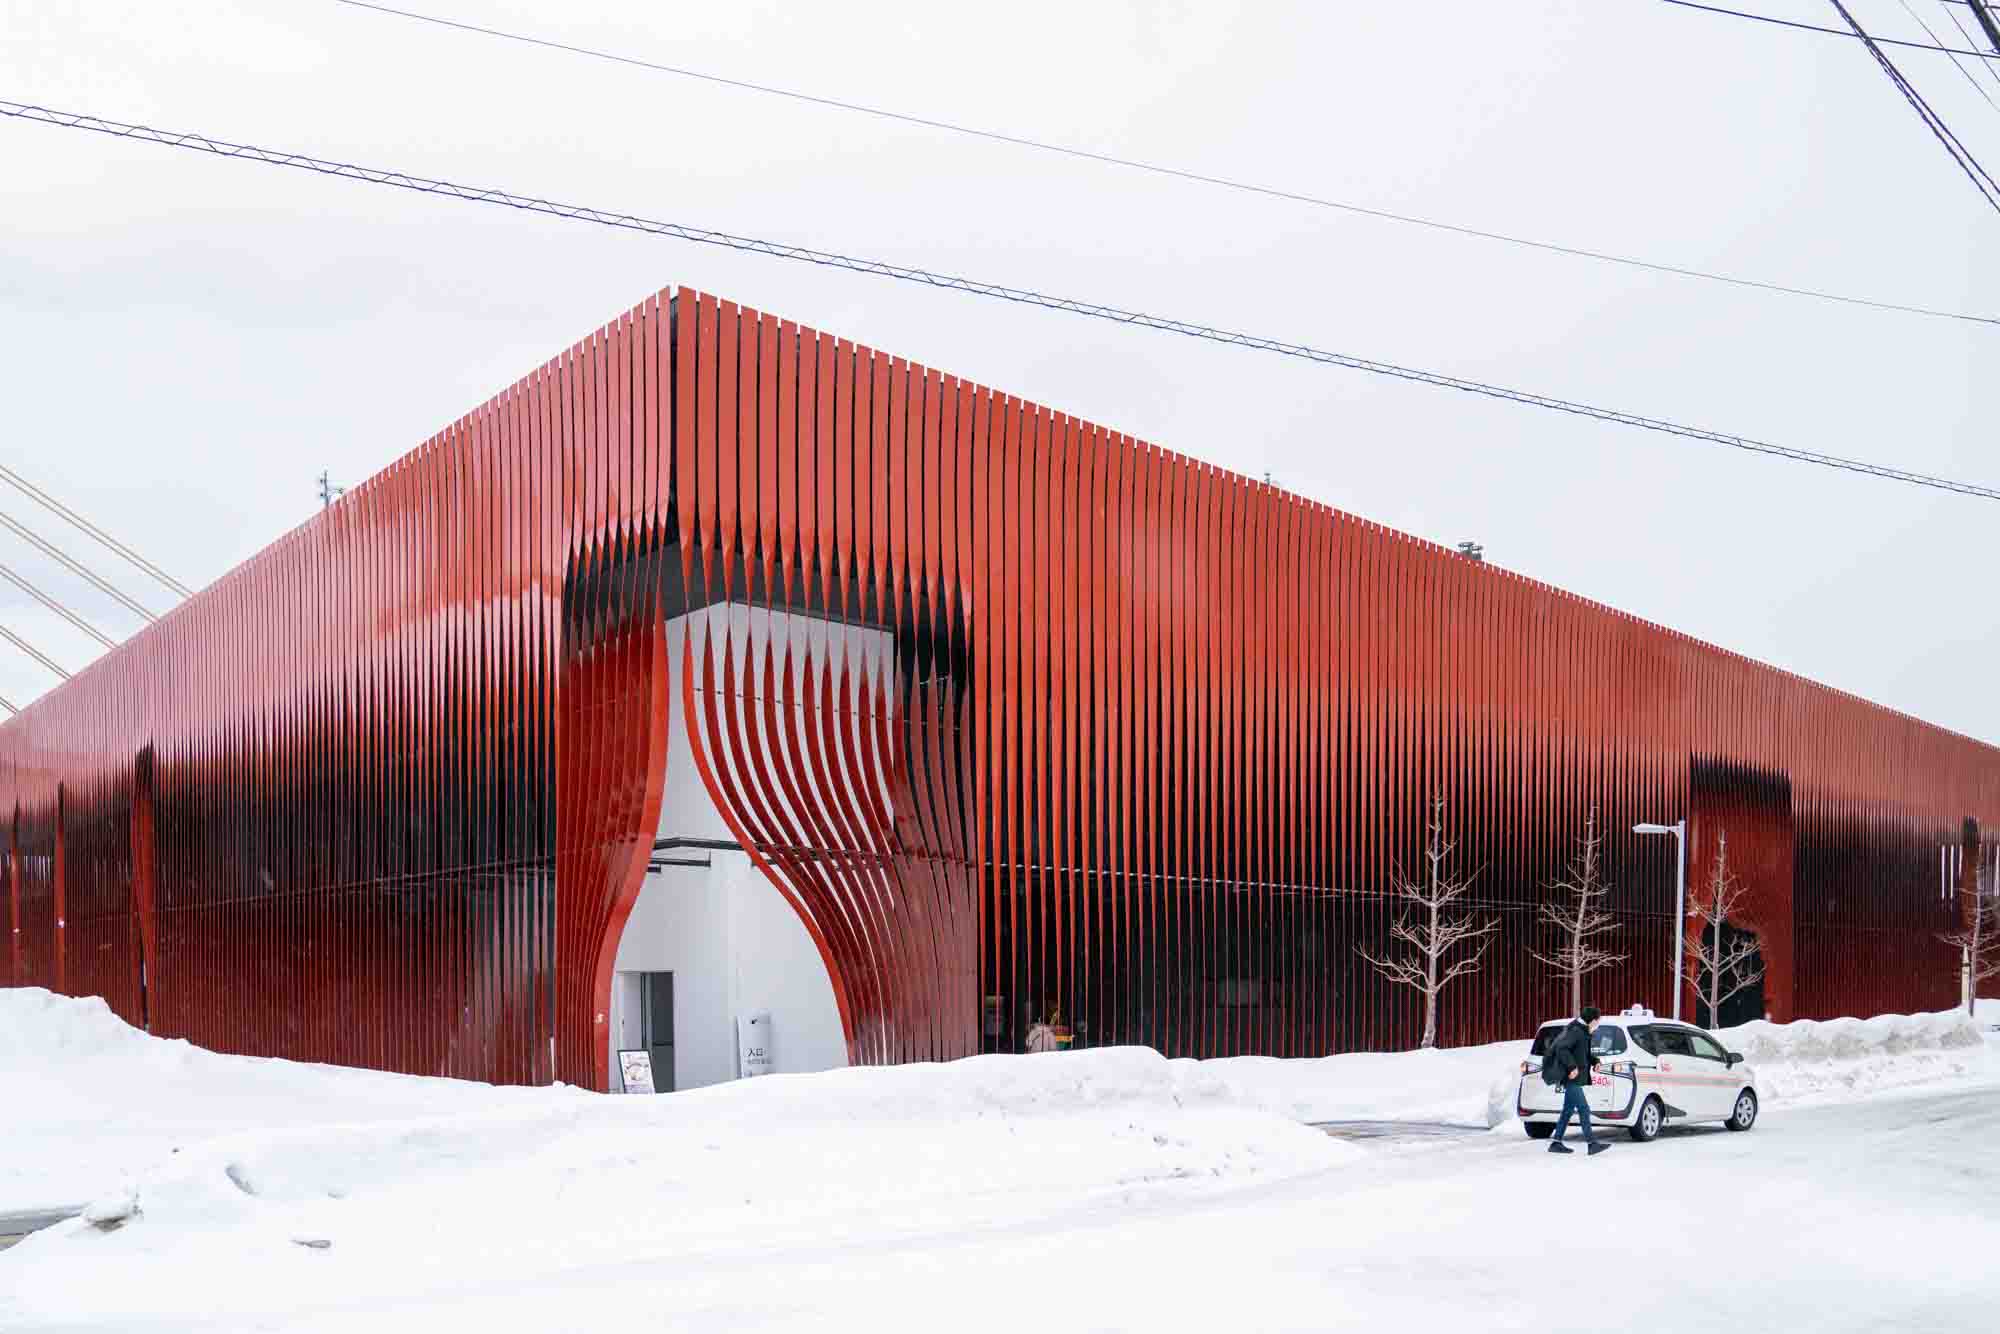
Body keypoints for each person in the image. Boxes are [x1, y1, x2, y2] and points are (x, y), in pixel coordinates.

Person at [1546, 1005, 1609, 1156]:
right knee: (1583, 1109)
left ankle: (1556, 1142)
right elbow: (1562, 1048)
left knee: (1567, 1111)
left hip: (1575, 1077)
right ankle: (1592, 1143)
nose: (1598, 1023)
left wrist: (1595, 1062)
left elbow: (1583, 1053)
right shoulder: (1575, 1030)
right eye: (1598, 1020)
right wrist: (1571, 1067)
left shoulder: (1583, 1031)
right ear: (1593, 1020)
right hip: (1571, 1078)